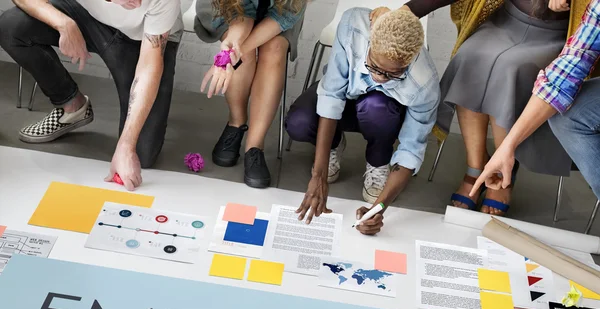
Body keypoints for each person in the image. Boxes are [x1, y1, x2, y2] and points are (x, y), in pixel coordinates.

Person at [386, 0, 589, 216]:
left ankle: (502, 174)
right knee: (470, 57)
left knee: (509, 69)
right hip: (505, 23)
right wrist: (411, 10)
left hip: (558, 36)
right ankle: (476, 168)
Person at [285, 7, 440, 235]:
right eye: (373, 66)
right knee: (299, 122)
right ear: (370, 42)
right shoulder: (353, 26)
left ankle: (378, 161)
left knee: (377, 107)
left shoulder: (424, 84)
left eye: (391, 74)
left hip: (382, 116)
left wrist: (379, 208)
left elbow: (410, 150)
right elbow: (332, 94)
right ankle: (333, 145)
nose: (378, 77)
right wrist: (318, 176)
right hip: (346, 97)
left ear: (410, 60)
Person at [0, 0, 182, 191]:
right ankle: (72, 106)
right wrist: (64, 24)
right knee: (10, 26)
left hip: (144, 38)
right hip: (90, 18)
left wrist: (126, 147)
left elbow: (149, 66)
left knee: (141, 153)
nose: (136, 2)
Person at [470, 0, 600, 202]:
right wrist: (508, 147)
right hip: (512, 25)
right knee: (568, 116)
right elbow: (570, 66)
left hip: (548, 33)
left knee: (510, 67)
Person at [195, 0, 306, 188]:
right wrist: (233, 47)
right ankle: (236, 123)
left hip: (279, 11)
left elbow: (284, 15)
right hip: (228, 8)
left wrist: (233, 55)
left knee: (275, 48)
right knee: (243, 52)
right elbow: (241, 11)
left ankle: (254, 146)